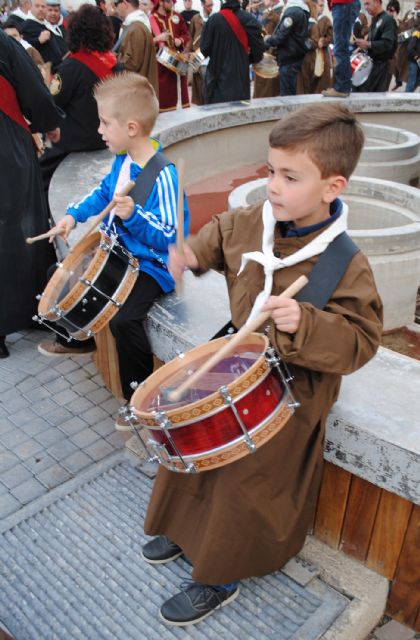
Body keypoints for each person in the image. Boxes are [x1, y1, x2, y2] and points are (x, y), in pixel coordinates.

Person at [140, 102, 383, 626]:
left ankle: (219, 575)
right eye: (271, 170)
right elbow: (218, 238)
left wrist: (306, 322)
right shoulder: (256, 220)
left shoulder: (346, 263)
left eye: (290, 176)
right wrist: (189, 254)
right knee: (197, 449)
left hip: (293, 394)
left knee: (243, 483)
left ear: (332, 187)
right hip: (238, 365)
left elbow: (362, 340)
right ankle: (184, 533)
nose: (273, 184)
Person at [38, 73, 190, 414]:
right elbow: (103, 194)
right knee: (59, 272)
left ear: (131, 128)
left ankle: (136, 400)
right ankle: (81, 339)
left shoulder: (163, 174)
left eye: (106, 123)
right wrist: (73, 217)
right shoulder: (123, 161)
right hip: (121, 255)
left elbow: (170, 233)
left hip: (153, 264)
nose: (100, 130)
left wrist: (134, 215)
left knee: (125, 321)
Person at [0, 29, 61, 358]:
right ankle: (36, 307)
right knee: (23, 224)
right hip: (6, 145)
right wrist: (47, 122)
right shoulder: (4, 43)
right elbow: (33, 89)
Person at [40, 3, 120, 193]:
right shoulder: (114, 65)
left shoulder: (71, 67)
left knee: (38, 177)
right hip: (108, 140)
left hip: (74, 146)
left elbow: (53, 105)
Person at [200, 0, 264, 104]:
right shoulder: (248, 19)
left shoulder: (213, 20)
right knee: (240, 115)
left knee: (217, 114)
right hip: (240, 79)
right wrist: (247, 60)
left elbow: (204, 49)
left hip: (217, 79)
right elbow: (259, 50)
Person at [149, 0, 191, 111]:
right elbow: (146, 42)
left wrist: (180, 40)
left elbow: (186, 34)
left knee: (181, 88)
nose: (172, 3)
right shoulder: (151, 19)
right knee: (163, 93)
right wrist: (158, 39)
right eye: (169, 1)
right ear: (161, 2)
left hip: (177, 58)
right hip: (160, 63)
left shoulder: (177, 16)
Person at [264, 0, 310, 96]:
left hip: (289, 58)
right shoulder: (300, 10)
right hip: (293, 57)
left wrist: (268, 40)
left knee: (286, 96)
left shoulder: (292, 12)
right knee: (290, 93)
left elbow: (280, 37)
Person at [114, 0, 158, 96]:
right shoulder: (134, 26)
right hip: (138, 93)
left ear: (125, 3)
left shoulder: (136, 28)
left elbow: (132, 64)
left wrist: (113, 59)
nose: (115, 8)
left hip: (137, 96)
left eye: (116, 3)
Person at [353, 0, 397, 92]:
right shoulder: (375, 19)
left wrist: (368, 44)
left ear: (377, 2)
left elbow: (388, 44)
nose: (365, 7)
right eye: (364, 4)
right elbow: (372, 40)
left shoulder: (388, 20)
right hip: (372, 66)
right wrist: (361, 47)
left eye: (368, 4)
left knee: (374, 99)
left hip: (381, 68)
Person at [321, 0, 359, 98]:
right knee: (341, 46)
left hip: (343, 4)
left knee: (340, 48)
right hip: (344, 4)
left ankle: (342, 87)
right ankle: (343, 86)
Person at [21, 0, 64, 71]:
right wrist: (38, 41)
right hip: (47, 72)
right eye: (37, 6)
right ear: (30, 7)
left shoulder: (45, 23)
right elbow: (24, 49)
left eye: (43, 6)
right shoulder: (27, 26)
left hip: (59, 67)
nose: (40, 9)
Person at [187, 0, 214, 105]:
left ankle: (209, 106)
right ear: (202, 5)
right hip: (198, 57)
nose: (211, 8)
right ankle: (203, 106)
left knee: (208, 84)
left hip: (210, 57)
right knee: (199, 83)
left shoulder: (214, 18)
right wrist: (188, 52)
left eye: (212, 5)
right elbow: (190, 36)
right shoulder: (195, 18)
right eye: (208, 5)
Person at [405, 26, 420, 90]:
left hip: (417, 62)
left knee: (417, 80)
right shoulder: (416, 33)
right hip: (414, 62)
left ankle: (409, 96)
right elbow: (410, 49)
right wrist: (417, 57)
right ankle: (406, 97)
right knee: (412, 81)